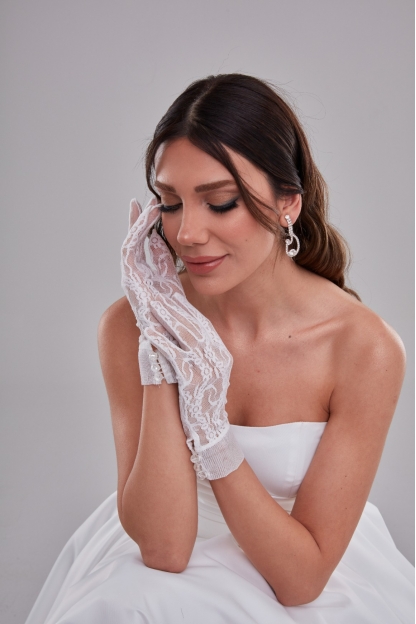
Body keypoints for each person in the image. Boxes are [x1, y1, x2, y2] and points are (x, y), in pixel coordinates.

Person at [25, 74, 414, 624]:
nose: (186, 233)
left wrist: (211, 437)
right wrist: (163, 344)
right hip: (167, 570)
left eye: (221, 203)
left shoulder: (363, 348)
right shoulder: (129, 326)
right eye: (170, 203)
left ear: (287, 204)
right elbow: (164, 550)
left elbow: (301, 582)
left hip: (295, 564)